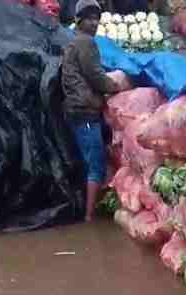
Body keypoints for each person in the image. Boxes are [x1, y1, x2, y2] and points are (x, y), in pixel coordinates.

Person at [62, 0, 124, 222]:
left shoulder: (73, 41)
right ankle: (89, 216)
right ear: (79, 20)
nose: (94, 23)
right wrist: (116, 86)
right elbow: (95, 75)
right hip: (84, 111)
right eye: (89, 18)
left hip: (75, 109)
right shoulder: (86, 43)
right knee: (96, 163)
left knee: (88, 161)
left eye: (97, 18)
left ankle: (87, 209)